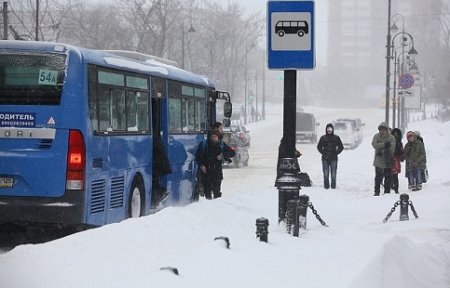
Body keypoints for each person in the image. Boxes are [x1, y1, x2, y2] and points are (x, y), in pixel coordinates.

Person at [195, 129, 235, 199]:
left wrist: (223, 155)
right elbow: (197, 157)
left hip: (217, 172)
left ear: (218, 137)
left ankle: (217, 205)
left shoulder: (221, 145)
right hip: (206, 172)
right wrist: (201, 165)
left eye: (215, 137)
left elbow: (232, 153)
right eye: (212, 136)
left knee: (217, 192)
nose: (213, 138)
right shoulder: (204, 145)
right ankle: (209, 206)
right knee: (207, 193)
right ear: (209, 137)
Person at [371, 122, 396, 196]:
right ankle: (376, 192)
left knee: (388, 178)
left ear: (386, 130)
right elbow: (374, 145)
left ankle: (387, 192)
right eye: (380, 130)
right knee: (378, 178)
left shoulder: (391, 138)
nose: (382, 131)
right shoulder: (376, 136)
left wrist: (381, 149)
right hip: (378, 161)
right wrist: (384, 145)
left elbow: (392, 149)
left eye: (383, 130)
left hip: (387, 160)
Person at [317, 123, 344, 189]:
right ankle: (326, 187)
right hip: (325, 159)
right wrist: (323, 153)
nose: (329, 130)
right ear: (326, 129)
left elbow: (341, 147)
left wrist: (336, 153)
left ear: (332, 130)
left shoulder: (336, 138)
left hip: (333, 158)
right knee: (325, 174)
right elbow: (319, 147)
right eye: (328, 129)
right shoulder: (323, 138)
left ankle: (333, 187)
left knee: (333, 175)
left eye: (330, 129)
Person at [151, 134, 172, 207]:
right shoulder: (156, 140)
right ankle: (159, 196)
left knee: (154, 181)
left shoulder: (154, 141)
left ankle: (159, 195)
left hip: (158, 165)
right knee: (155, 181)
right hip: (160, 165)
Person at [390, 128, 404, 194]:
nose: (395, 136)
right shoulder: (390, 142)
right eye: (394, 134)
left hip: (396, 161)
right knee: (390, 174)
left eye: (397, 134)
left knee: (395, 175)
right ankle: (391, 186)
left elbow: (401, 151)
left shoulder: (399, 143)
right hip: (390, 160)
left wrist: (402, 157)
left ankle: (396, 189)